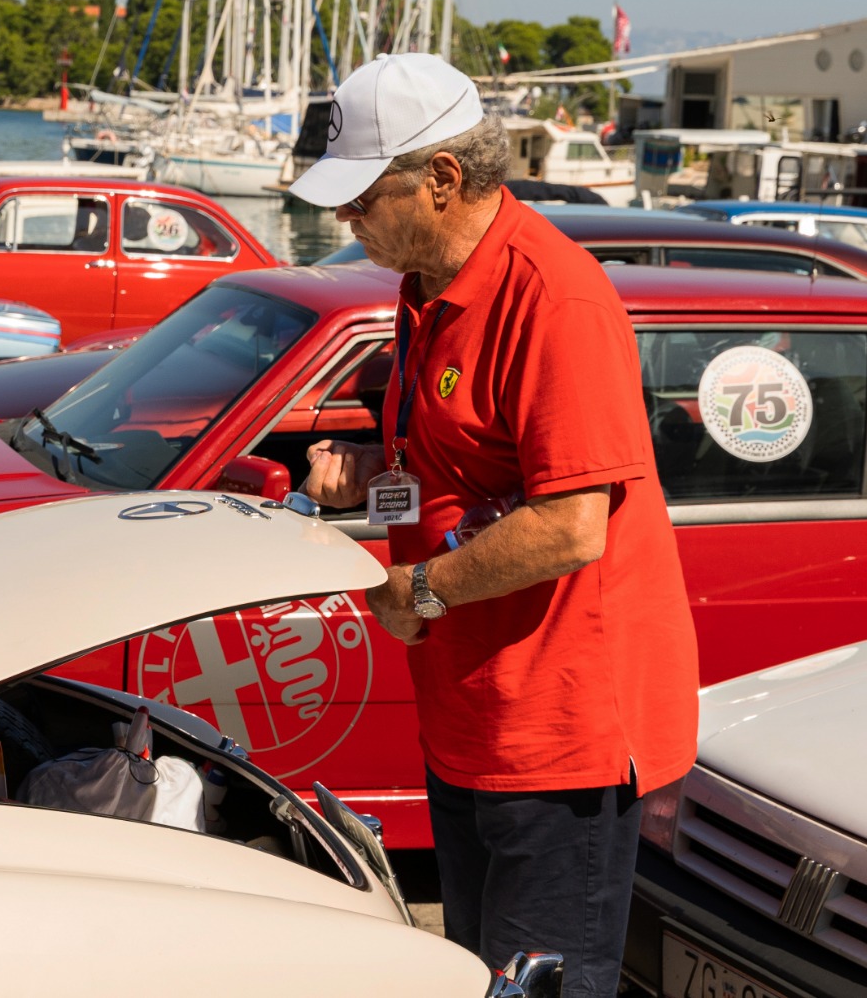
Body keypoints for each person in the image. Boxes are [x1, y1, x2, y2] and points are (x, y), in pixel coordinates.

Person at [290, 53, 698, 998]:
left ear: (441, 180)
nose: (342, 218)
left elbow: (570, 526)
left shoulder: (554, 296)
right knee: (482, 980)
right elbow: (468, 457)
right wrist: (371, 474)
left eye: (360, 195)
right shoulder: (427, 285)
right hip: (474, 713)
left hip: (559, 735)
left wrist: (420, 589)